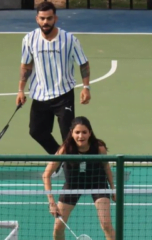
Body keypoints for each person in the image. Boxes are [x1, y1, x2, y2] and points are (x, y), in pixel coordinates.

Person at [16, 1, 92, 174]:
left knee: (69, 136)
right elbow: (26, 66)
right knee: (36, 132)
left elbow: (83, 64)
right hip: (40, 95)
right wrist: (21, 90)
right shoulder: (29, 39)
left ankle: (73, 175)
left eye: (49, 18)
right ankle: (62, 160)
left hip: (63, 94)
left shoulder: (69, 39)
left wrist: (86, 87)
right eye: (42, 18)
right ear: (37, 19)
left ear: (55, 18)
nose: (45, 22)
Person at [42, 116, 116, 240]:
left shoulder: (98, 148)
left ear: (90, 133)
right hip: (73, 185)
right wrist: (51, 203)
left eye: (84, 132)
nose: (80, 136)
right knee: (58, 228)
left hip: (97, 183)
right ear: (71, 133)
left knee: (106, 224)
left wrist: (113, 188)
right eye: (77, 132)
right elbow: (46, 175)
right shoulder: (65, 149)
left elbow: (106, 167)